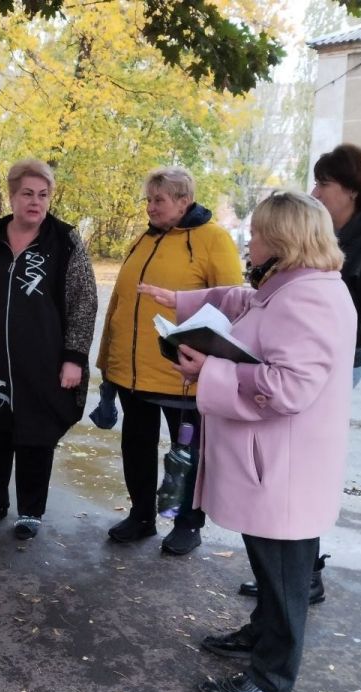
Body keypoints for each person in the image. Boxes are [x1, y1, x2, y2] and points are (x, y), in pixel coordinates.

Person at [141, 190, 356, 692]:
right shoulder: (293, 284)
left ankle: (272, 675)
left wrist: (209, 371)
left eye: (258, 233)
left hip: (286, 470)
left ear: (283, 241)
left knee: (284, 580)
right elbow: (245, 301)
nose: (250, 240)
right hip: (277, 465)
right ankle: (259, 638)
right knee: (269, 566)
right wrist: (186, 301)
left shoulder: (309, 298)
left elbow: (290, 388)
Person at [236, 144, 361, 604]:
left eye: (324, 182)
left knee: (294, 470)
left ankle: (301, 574)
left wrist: (328, 342)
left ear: (351, 188)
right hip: (298, 359)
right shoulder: (321, 229)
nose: (315, 190)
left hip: (334, 366)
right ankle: (289, 573)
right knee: (283, 468)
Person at [97, 166, 242, 555]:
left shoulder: (212, 239)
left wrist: (212, 363)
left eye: (158, 200)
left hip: (183, 376)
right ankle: (142, 515)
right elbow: (119, 304)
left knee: (186, 455)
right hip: (132, 374)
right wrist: (106, 362)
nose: (150, 207)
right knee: (137, 447)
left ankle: (188, 523)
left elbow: (232, 305)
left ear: (184, 200)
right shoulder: (145, 239)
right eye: (148, 199)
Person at [0, 159, 97, 540]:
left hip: (44, 360)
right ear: (12, 195)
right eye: (27, 194)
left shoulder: (64, 240)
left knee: (37, 435)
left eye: (43, 195)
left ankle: (31, 510)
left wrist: (74, 357)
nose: (35, 202)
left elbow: (84, 302)